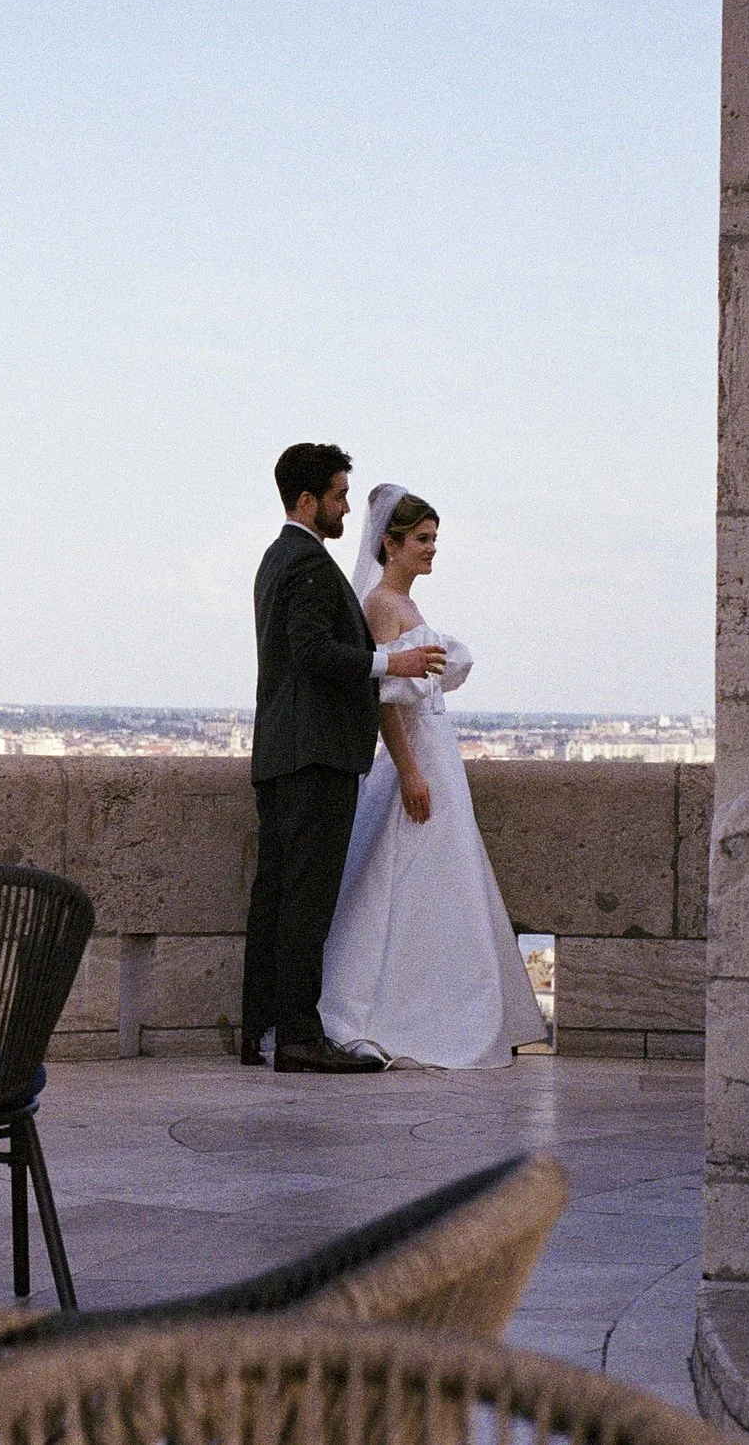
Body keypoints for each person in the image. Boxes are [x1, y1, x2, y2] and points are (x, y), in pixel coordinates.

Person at [317, 484, 548, 1068]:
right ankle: (393, 1010)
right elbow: (386, 701)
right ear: (390, 544)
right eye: (422, 539)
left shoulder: (408, 606)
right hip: (417, 758)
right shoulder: (380, 606)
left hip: (437, 750)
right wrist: (410, 771)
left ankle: (451, 1002)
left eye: (434, 539)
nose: (432, 550)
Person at [246, 444, 447, 1074]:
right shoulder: (307, 564)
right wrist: (395, 662)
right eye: (336, 494)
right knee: (305, 899)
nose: (345, 507)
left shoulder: (276, 559)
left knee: (275, 896)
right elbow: (313, 655)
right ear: (305, 501)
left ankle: (261, 1033)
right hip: (316, 756)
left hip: (284, 752)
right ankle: (301, 1039)